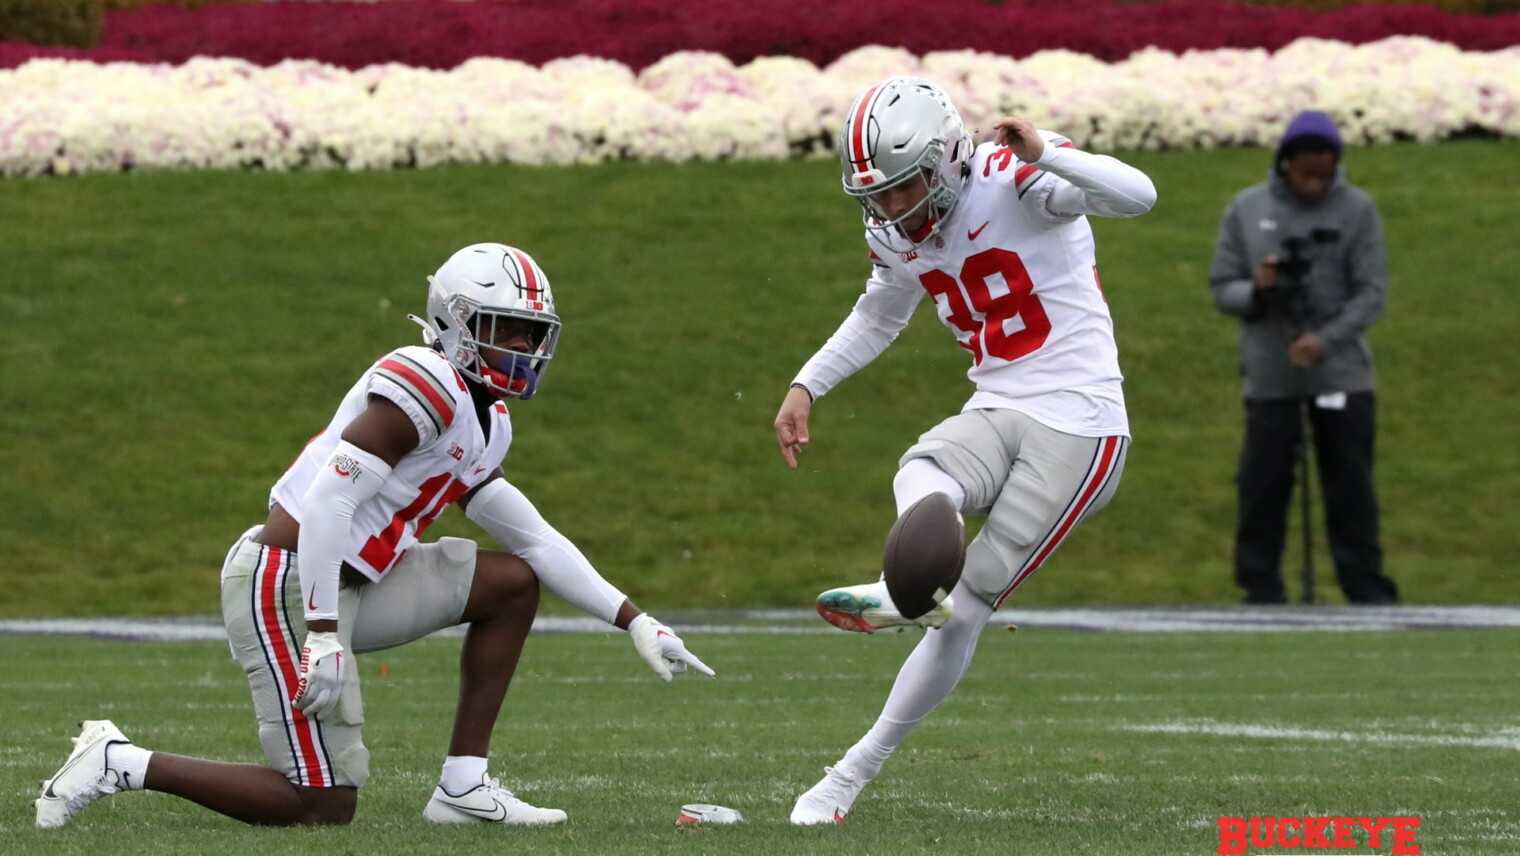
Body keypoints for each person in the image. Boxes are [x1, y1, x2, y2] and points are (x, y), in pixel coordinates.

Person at [36, 242, 714, 830]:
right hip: (288, 581)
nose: (524, 349)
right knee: (321, 806)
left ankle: (464, 787)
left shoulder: (489, 420)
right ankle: (119, 762)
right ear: (455, 322)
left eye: (532, 334)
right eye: (507, 329)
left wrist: (634, 621)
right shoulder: (422, 380)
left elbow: (534, 539)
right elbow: (330, 500)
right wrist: (324, 630)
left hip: (362, 581)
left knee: (512, 583)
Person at [771, 76, 1156, 824]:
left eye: (907, 185)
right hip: (999, 400)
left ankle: (852, 770)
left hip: (1081, 421)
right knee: (921, 468)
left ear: (949, 157)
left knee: (971, 601)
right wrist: (806, 385)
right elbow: (878, 316)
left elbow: (1137, 195)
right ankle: (910, 584)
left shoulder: (1017, 178)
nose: (893, 207)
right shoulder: (891, 229)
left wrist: (1049, 152)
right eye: (877, 194)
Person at [1209, 110, 1398, 606]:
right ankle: (1261, 586)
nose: (1316, 183)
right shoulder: (1246, 209)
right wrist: (1258, 289)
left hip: (1341, 373)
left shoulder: (1358, 210)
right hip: (1270, 374)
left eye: (1325, 174)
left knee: (1351, 484)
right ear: (1284, 164)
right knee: (1263, 483)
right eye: (1306, 172)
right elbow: (1223, 287)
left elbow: (1371, 292)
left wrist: (1326, 340)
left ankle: (1364, 584)